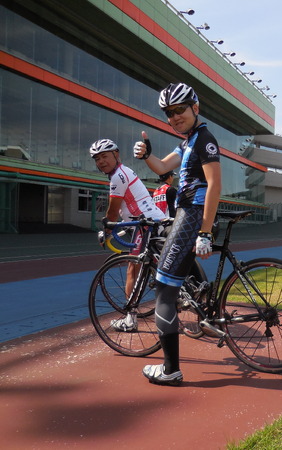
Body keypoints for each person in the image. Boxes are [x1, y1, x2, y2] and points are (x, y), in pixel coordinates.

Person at [133, 82, 222, 386]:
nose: (174, 117)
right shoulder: (187, 142)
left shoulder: (203, 140)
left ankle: (171, 370)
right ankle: (202, 298)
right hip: (185, 215)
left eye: (179, 110)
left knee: (163, 291)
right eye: (169, 113)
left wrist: (206, 232)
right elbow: (161, 166)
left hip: (192, 215)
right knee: (172, 277)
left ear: (195, 108)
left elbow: (215, 186)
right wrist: (147, 154)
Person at [90, 138, 166, 331]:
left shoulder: (117, 177)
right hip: (151, 222)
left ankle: (130, 319)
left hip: (145, 226)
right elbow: (127, 210)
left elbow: (113, 213)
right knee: (162, 267)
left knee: (133, 269)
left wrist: (107, 231)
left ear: (116, 155)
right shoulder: (125, 171)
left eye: (105, 156)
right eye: (97, 159)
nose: (101, 162)